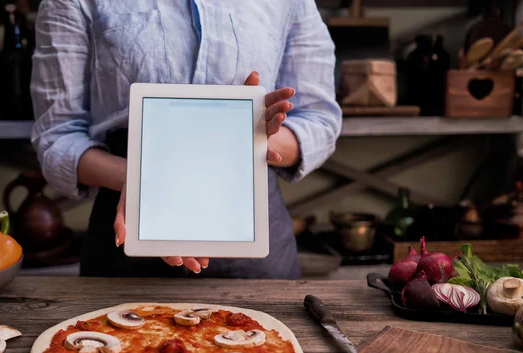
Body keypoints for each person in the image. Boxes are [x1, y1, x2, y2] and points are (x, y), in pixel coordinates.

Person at [30, 0, 342, 279]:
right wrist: (143, 180)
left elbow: (319, 120)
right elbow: (57, 136)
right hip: (129, 231)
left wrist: (249, 143)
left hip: (251, 231)